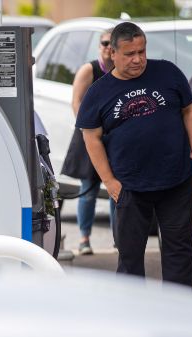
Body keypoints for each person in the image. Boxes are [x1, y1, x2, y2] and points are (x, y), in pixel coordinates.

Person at [76, 22, 192, 287]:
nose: (138, 59)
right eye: (130, 54)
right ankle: (133, 317)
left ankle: (181, 315)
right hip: (130, 187)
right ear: (113, 54)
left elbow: (189, 110)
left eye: (141, 52)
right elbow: (91, 136)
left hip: (177, 180)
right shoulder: (99, 91)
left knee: (179, 253)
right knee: (130, 257)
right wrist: (109, 181)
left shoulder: (167, 72)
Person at [61, 28, 115, 255]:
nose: (107, 48)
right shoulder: (89, 70)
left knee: (117, 190)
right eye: (104, 43)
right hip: (90, 136)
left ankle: (119, 238)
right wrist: (91, 132)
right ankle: (84, 239)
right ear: (99, 45)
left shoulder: (121, 70)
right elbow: (76, 103)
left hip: (114, 137)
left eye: (112, 44)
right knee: (89, 189)